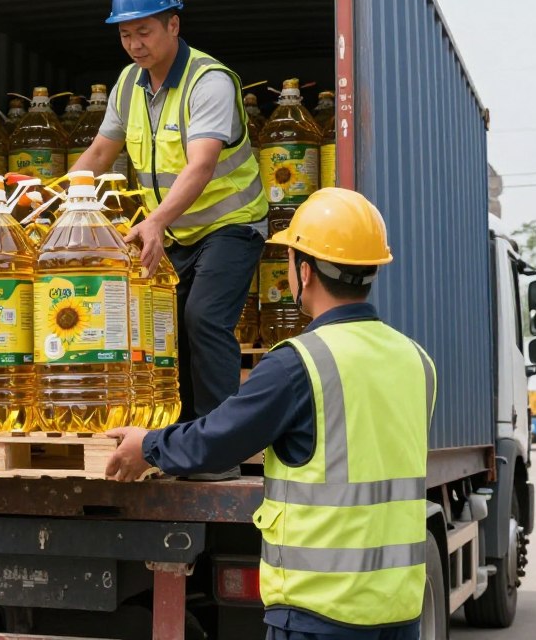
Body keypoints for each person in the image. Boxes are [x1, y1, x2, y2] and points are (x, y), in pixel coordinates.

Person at [105, 188, 437, 639]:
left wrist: (148, 445)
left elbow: (220, 438)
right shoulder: (417, 360)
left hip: (320, 611)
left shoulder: (299, 363)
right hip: (398, 608)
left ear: (305, 272)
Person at [71, 0, 268, 447]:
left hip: (231, 225)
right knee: (165, 328)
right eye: (125, 34)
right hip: (177, 233)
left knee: (204, 318)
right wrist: (60, 202)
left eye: (144, 31)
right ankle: (180, 440)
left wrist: (156, 221)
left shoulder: (208, 81)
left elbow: (202, 164)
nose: (134, 44)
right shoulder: (128, 84)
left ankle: (220, 449)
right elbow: (100, 152)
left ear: (173, 25)